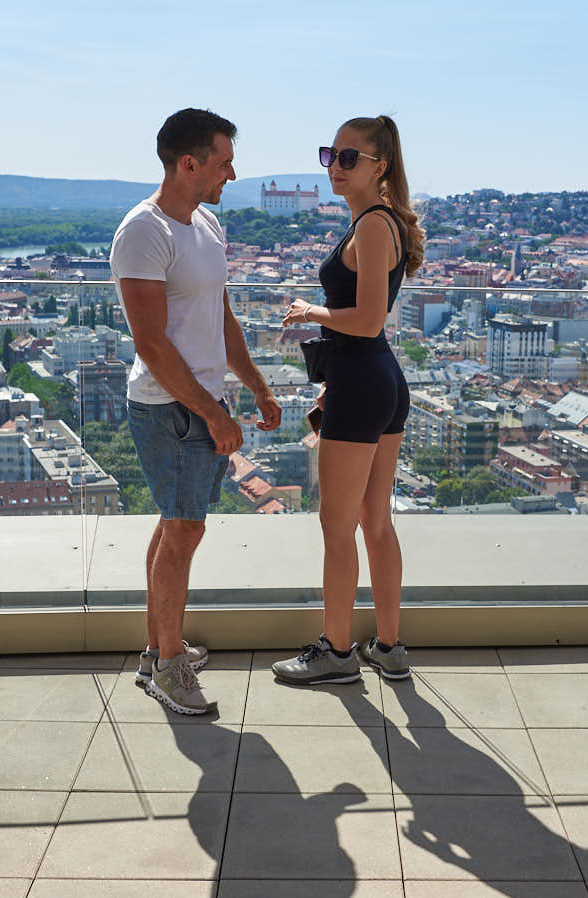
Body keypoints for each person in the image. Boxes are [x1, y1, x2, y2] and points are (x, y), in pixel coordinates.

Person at [112, 108, 281, 715]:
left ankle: (160, 649)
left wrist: (256, 386)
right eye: (223, 162)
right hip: (169, 407)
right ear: (189, 164)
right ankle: (167, 664)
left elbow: (220, 315)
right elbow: (151, 344)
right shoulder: (144, 231)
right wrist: (213, 414)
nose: (231, 174)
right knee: (184, 530)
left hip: (204, 401)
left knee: (175, 526)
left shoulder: (206, 224)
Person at [271, 115, 425, 686]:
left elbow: (367, 320)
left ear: (380, 167)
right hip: (379, 380)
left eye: (348, 157)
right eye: (330, 155)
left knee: (337, 527)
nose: (335, 166)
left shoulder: (374, 225)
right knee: (375, 522)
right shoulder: (377, 221)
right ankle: (388, 647)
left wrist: (309, 311)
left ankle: (337, 653)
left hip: (362, 384)